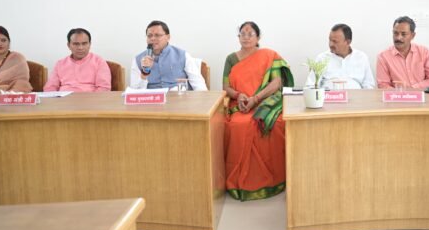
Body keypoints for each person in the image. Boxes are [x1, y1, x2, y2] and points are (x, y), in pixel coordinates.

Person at [223, 21, 294, 201]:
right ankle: (240, 182)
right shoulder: (231, 59)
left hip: (265, 102)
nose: (246, 37)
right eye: (242, 34)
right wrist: (239, 95)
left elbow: (276, 83)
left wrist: (256, 98)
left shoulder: (269, 56)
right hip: (239, 103)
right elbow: (226, 87)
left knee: (277, 124)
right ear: (238, 37)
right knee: (238, 125)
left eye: (250, 34)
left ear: (258, 37)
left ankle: (275, 179)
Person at [130, 20, 207, 90]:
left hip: (179, 98)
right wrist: (144, 73)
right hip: (153, 99)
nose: (152, 38)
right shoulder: (138, 60)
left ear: (168, 37)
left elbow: (199, 85)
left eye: (157, 35)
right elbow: (134, 91)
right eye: (149, 36)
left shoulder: (183, 55)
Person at [376, 16, 429, 89]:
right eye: (395, 33)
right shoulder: (383, 57)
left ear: (412, 36)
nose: (398, 38)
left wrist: (412, 89)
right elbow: (383, 85)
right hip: (397, 95)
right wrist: (401, 93)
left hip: (422, 95)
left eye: (403, 34)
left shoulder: (424, 52)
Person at [305, 23, 375, 89]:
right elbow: (311, 85)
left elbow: (369, 85)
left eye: (335, 41)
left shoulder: (361, 57)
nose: (330, 44)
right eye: (330, 40)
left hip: (356, 96)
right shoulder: (322, 58)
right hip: (329, 96)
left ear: (348, 42)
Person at [44, 28, 111, 92]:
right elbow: (50, 88)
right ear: (68, 45)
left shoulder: (99, 62)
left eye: (84, 43)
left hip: (90, 98)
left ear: (90, 44)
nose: (80, 48)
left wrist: (91, 100)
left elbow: (104, 88)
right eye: (76, 44)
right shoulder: (60, 64)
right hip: (64, 99)